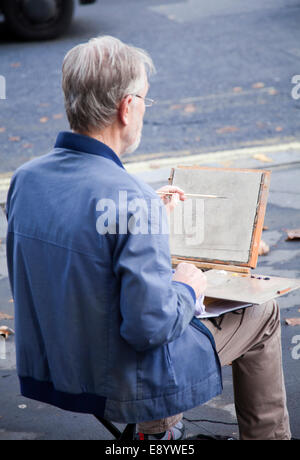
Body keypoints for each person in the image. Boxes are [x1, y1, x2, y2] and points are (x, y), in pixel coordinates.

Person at [6, 36, 291, 440]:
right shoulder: (133, 202)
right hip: (124, 381)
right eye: (145, 100)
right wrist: (186, 288)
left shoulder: (26, 179)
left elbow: (71, 250)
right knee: (262, 314)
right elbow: (149, 328)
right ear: (127, 107)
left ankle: (159, 435)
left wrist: (147, 217)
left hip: (51, 367)